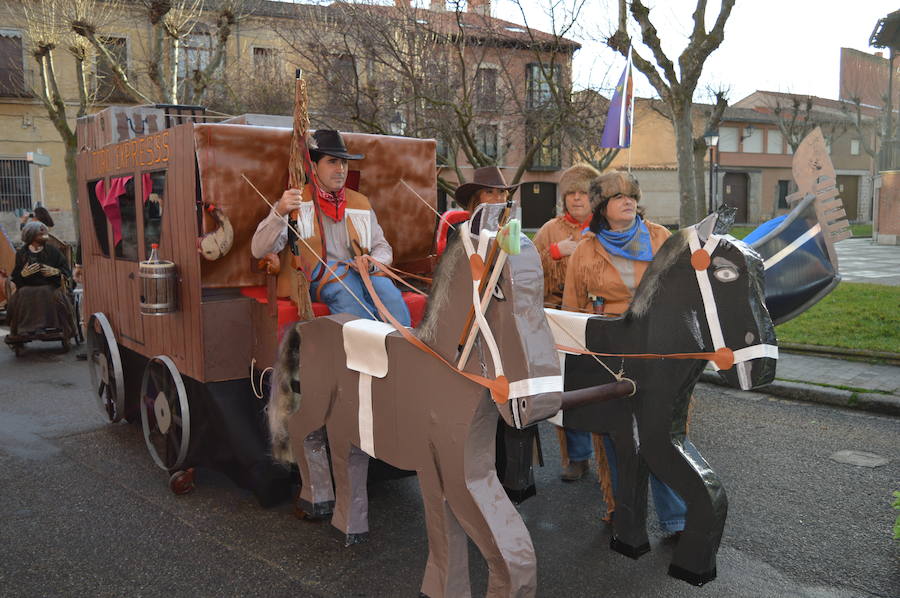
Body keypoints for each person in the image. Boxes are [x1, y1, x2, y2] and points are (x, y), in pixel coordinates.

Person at [562, 171, 686, 536]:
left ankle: (675, 517)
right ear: (602, 207)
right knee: (618, 439)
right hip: (609, 355)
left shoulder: (661, 237)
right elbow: (572, 310)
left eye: (631, 195)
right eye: (618, 197)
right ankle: (624, 509)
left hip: (658, 350)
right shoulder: (586, 250)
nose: (628, 201)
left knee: (659, 434)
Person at [251, 129, 411, 326]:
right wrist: (279, 213)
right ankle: (366, 348)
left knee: (388, 292)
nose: (340, 169)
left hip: (361, 274)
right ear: (314, 166)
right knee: (344, 288)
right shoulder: (295, 202)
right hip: (314, 280)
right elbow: (259, 250)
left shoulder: (360, 203)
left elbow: (383, 248)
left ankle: (403, 347)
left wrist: (371, 262)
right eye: (332, 162)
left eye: (343, 162)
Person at [531, 163, 600, 482]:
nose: (576, 199)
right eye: (570, 193)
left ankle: (612, 455)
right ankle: (577, 456)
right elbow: (526, 269)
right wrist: (556, 251)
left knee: (603, 388)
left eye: (583, 192)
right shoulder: (549, 229)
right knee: (567, 389)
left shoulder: (605, 227)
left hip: (598, 319)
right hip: (558, 319)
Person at [5, 221, 75, 347]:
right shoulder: (22, 254)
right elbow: (16, 277)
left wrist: (56, 272)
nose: (45, 236)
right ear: (32, 236)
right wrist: (23, 275)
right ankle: (24, 329)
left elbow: (66, 271)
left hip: (50, 286)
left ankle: (46, 326)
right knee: (22, 294)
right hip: (27, 287)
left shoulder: (53, 252)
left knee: (47, 292)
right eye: (41, 233)